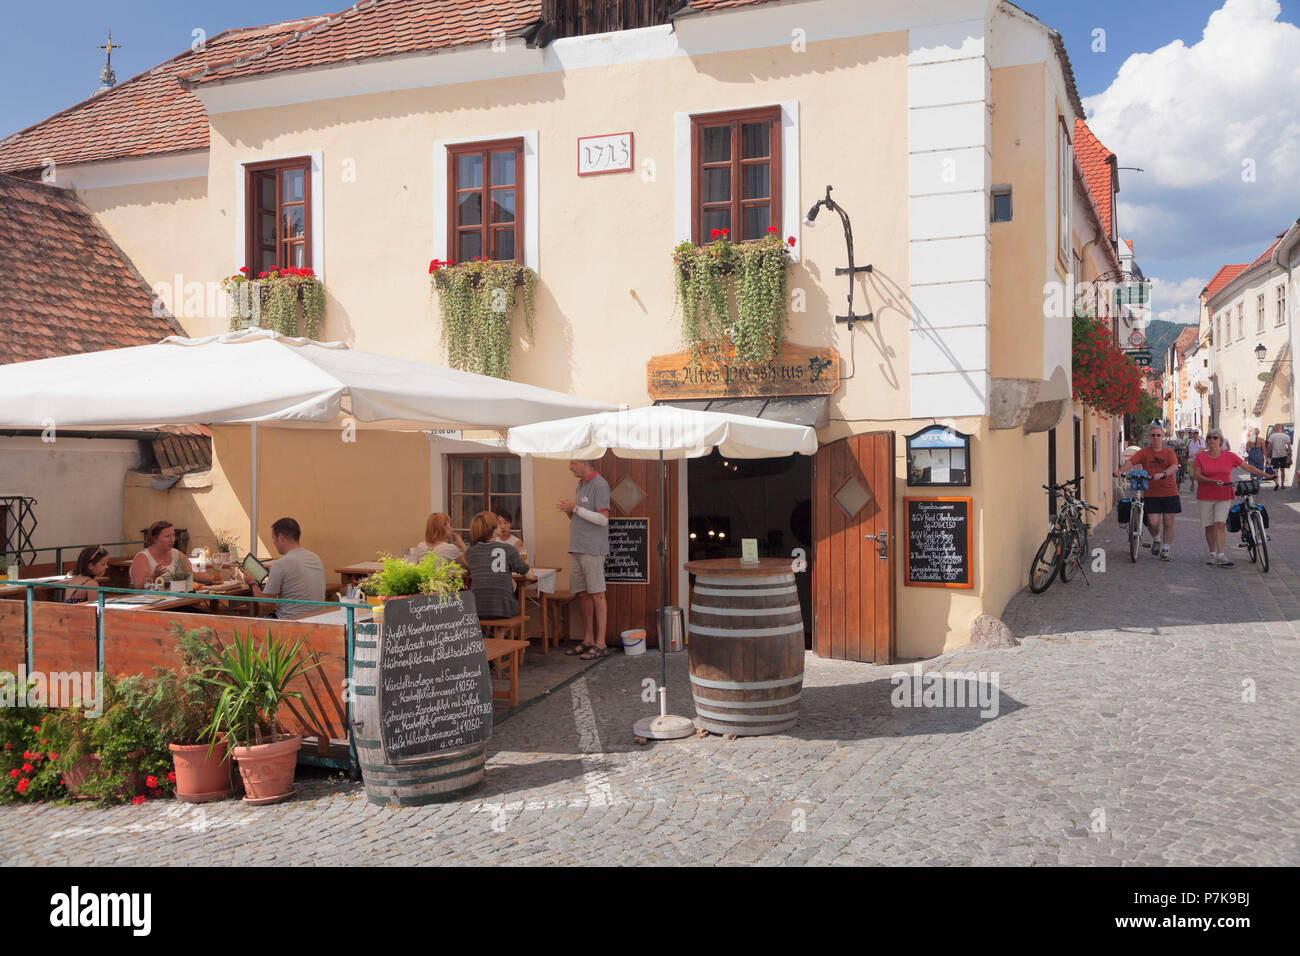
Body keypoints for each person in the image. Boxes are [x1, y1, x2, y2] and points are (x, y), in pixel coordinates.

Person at [1193, 429, 1273, 567]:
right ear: (1206, 441)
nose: (1212, 440)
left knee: (1220, 524)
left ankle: (1221, 555)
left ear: (1220, 441)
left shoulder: (1229, 456)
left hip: (1224, 494)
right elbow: (1197, 476)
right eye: (1209, 438)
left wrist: (1267, 476)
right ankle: (1212, 553)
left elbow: (1248, 467)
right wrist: (1212, 481)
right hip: (1205, 495)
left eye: (1215, 438)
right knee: (1209, 525)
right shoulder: (1201, 457)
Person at [557, 459, 610, 660]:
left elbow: (603, 519)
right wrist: (570, 512)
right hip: (577, 548)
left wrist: (576, 508)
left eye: (573, 463)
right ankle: (588, 640)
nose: (570, 467)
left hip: (592, 549)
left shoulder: (600, 484)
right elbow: (582, 518)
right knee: (582, 594)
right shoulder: (581, 485)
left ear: (584, 463)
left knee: (597, 594)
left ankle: (601, 643)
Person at [1115, 424, 1181, 561]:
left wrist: (1163, 473)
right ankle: (1156, 539)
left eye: (1158, 435)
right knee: (1153, 522)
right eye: (1153, 435)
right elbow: (1131, 462)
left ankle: (1166, 549)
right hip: (1152, 492)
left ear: (1162, 437)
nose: (1156, 437)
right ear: (1150, 437)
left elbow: (1174, 466)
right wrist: (1121, 471)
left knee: (1168, 521)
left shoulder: (1169, 452)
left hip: (1169, 491)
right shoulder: (1144, 452)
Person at [241, 517, 325, 618]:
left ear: (280, 537)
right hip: (316, 619)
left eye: (273, 538)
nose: (273, 542)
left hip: (290, 622)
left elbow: (265, 605)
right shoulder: (315, 558)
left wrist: (252, 583)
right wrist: (275, 571)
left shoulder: (280, 564)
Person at [462, 510, 534, 620]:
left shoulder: (470, 552)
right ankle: (501, 635)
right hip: (503, 607)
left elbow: (468, 566)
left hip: (476, 607)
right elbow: (529, 575)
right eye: (498, 523)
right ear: (494, 528)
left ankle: (487, 634)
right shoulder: (509, 549)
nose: (501, 526)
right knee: (512, 602)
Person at [131, 520, 219, 589]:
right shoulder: (143, 557)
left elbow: (193, 573)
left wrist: (213, 579)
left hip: (172, 600)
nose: (172, 539)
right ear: (155, 539)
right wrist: (153, 576)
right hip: (151, 604)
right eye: (167, 536)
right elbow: (138, 586)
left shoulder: (176, 553)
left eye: (173, 535)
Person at [1266, 423, 1292, 490]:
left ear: (1276, 428)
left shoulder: (1272, 436)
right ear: (1281, 428)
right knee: (1283, 470)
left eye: (1274, 428)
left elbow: (1269, 447)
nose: (1274, 429)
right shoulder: (1286, 436)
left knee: (1275, 471)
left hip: (1275, 456)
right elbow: (1289, 448)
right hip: (1284, 455)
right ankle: (1282, 484)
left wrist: (1267, 456)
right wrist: (1290, 458)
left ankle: (1276, 484)